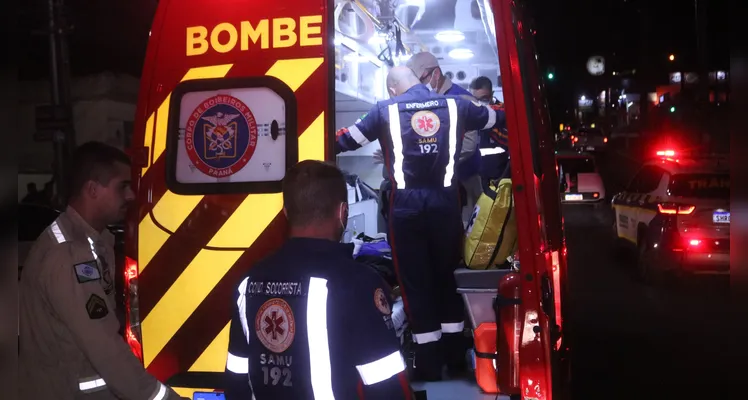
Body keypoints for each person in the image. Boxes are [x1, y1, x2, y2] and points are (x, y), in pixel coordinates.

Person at [334, 66, 507, 381]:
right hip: (445, 205)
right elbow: (497, 117)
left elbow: (345, 140)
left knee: (415, 283)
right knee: (446, 277)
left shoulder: (385, 109)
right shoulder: (457, 104)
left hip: (406, 208)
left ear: (392, 89)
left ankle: (428, 363)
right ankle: (455, 356)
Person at [224, 160, 411, 399]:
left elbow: (237, 381)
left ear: (286, 213)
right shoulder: (358, 284)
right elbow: (387, 387)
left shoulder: (248, 283)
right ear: (343, 212)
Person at [19, 141, 185, 400]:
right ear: (93, 190)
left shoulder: (92, 242)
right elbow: (104, 347)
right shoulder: (68, 256)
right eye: (122, 187)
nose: (131, 196)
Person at [407, 51, 484, 226]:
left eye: (421, 79)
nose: (417, 85)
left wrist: (431, 160)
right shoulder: (422, 102)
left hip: (465, 180)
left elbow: (469, 145)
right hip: (438, 185)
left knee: (466, 233)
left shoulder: (462, 98)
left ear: (436, 74)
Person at [469, 76, 511, 189]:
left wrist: (485, 121)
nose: (479, 103)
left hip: (499, 176)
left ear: (492, 94)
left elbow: (510, 141)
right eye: (474, 99)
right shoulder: (471, 115)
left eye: (483, 98)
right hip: (476, 178)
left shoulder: (504, 111)